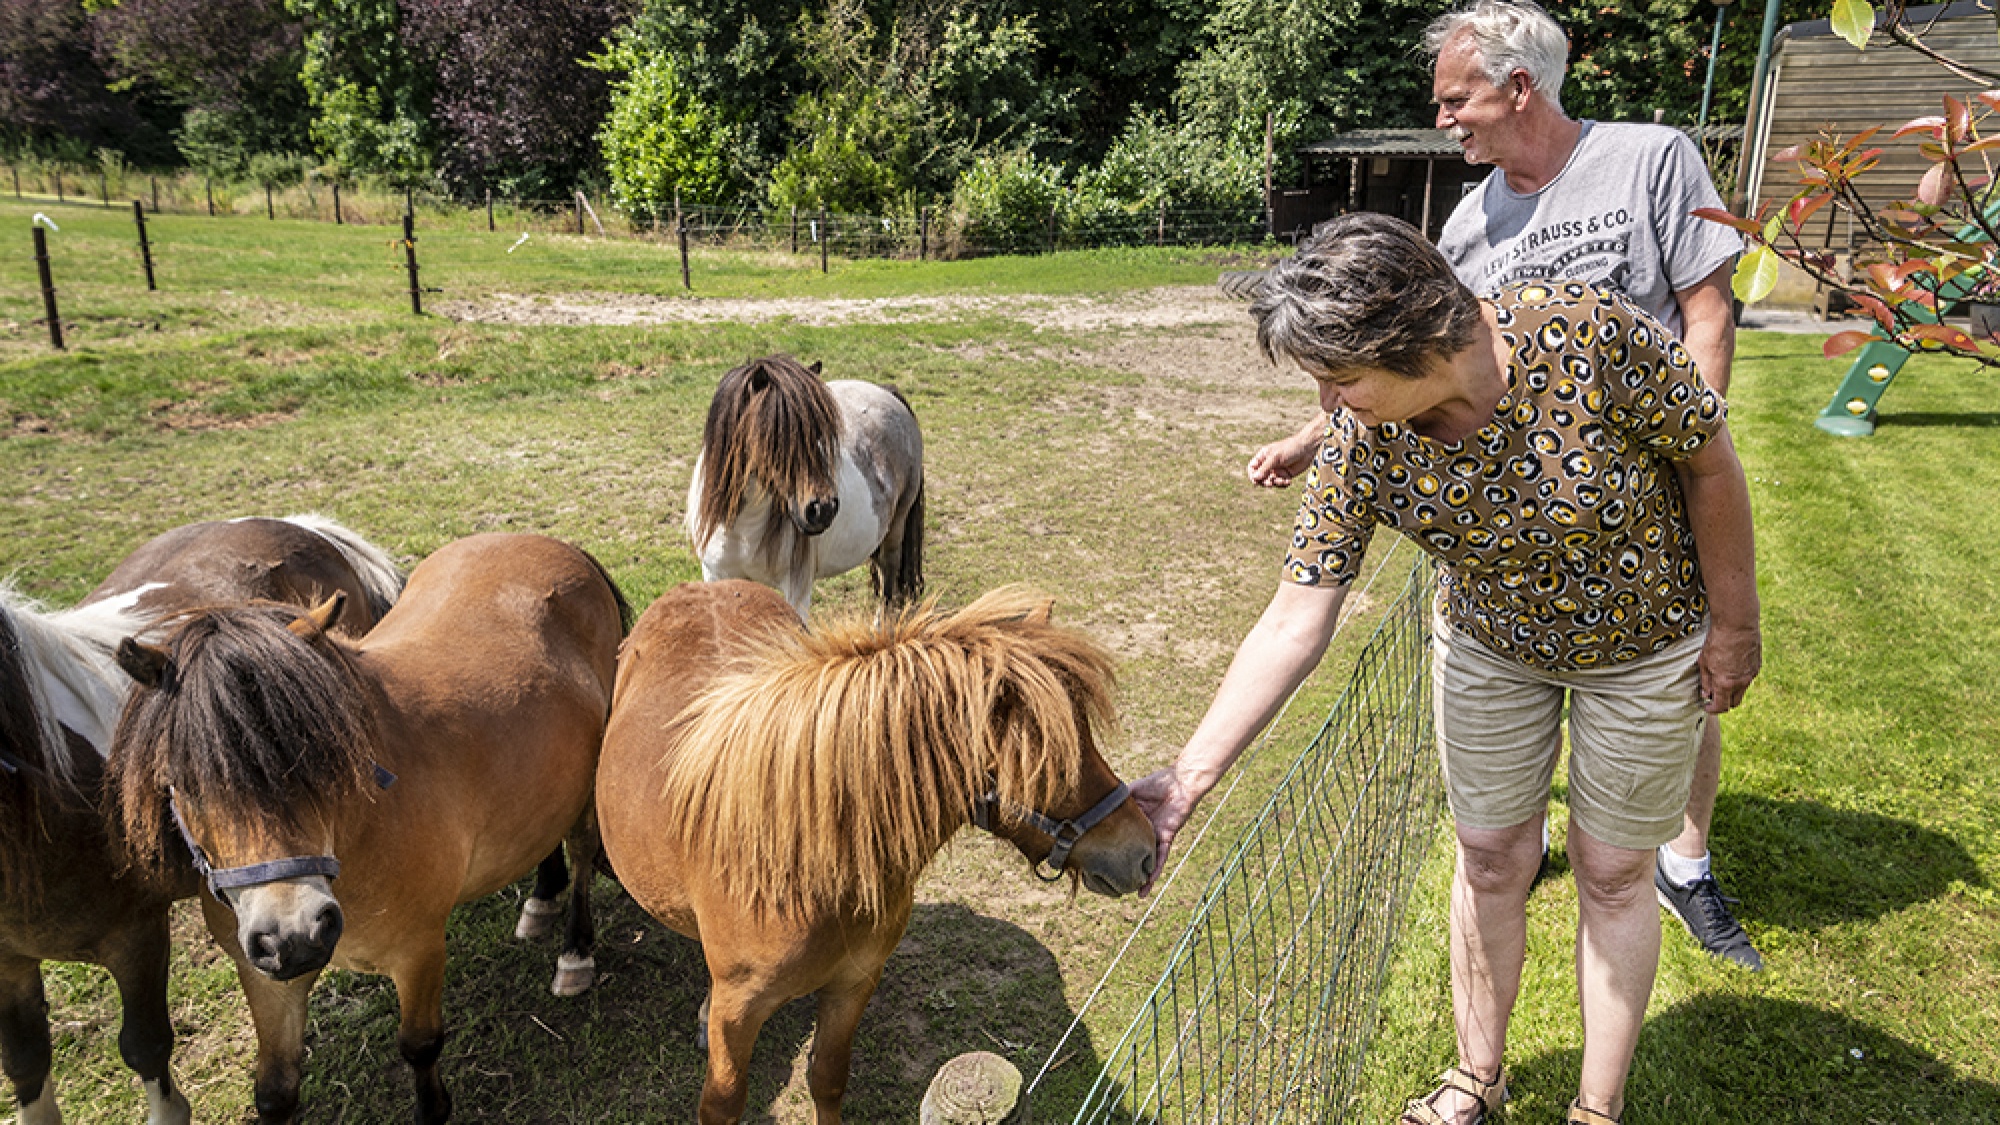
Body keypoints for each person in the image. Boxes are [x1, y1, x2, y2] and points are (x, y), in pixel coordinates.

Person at [1131, 212, 1760, 1125]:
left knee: (1614, 869)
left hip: (1642, 638)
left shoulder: (1588, 334)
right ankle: (1476, 1078)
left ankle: (1596, 1107)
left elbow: (1710, 460)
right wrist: (1190, 778)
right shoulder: (1363, 442)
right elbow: (1297, 610)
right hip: (1491, 646)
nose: (1328, 405)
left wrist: (1734, 623)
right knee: (1493, 857)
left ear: (1412, 342)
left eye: (1340, 379)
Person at [1245, 0, 1760, 972]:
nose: (1441, 121)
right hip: (1526, 514)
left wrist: (1689, 451)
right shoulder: (1473, 220)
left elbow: (1706, 311)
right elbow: (1412, 355)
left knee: (1682, 674)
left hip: (1649, 473)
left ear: (1515, 87)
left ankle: (1681, 862)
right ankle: (1559, 853)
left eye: (1453, 101)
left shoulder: (1650, 158)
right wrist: (1319, 434)